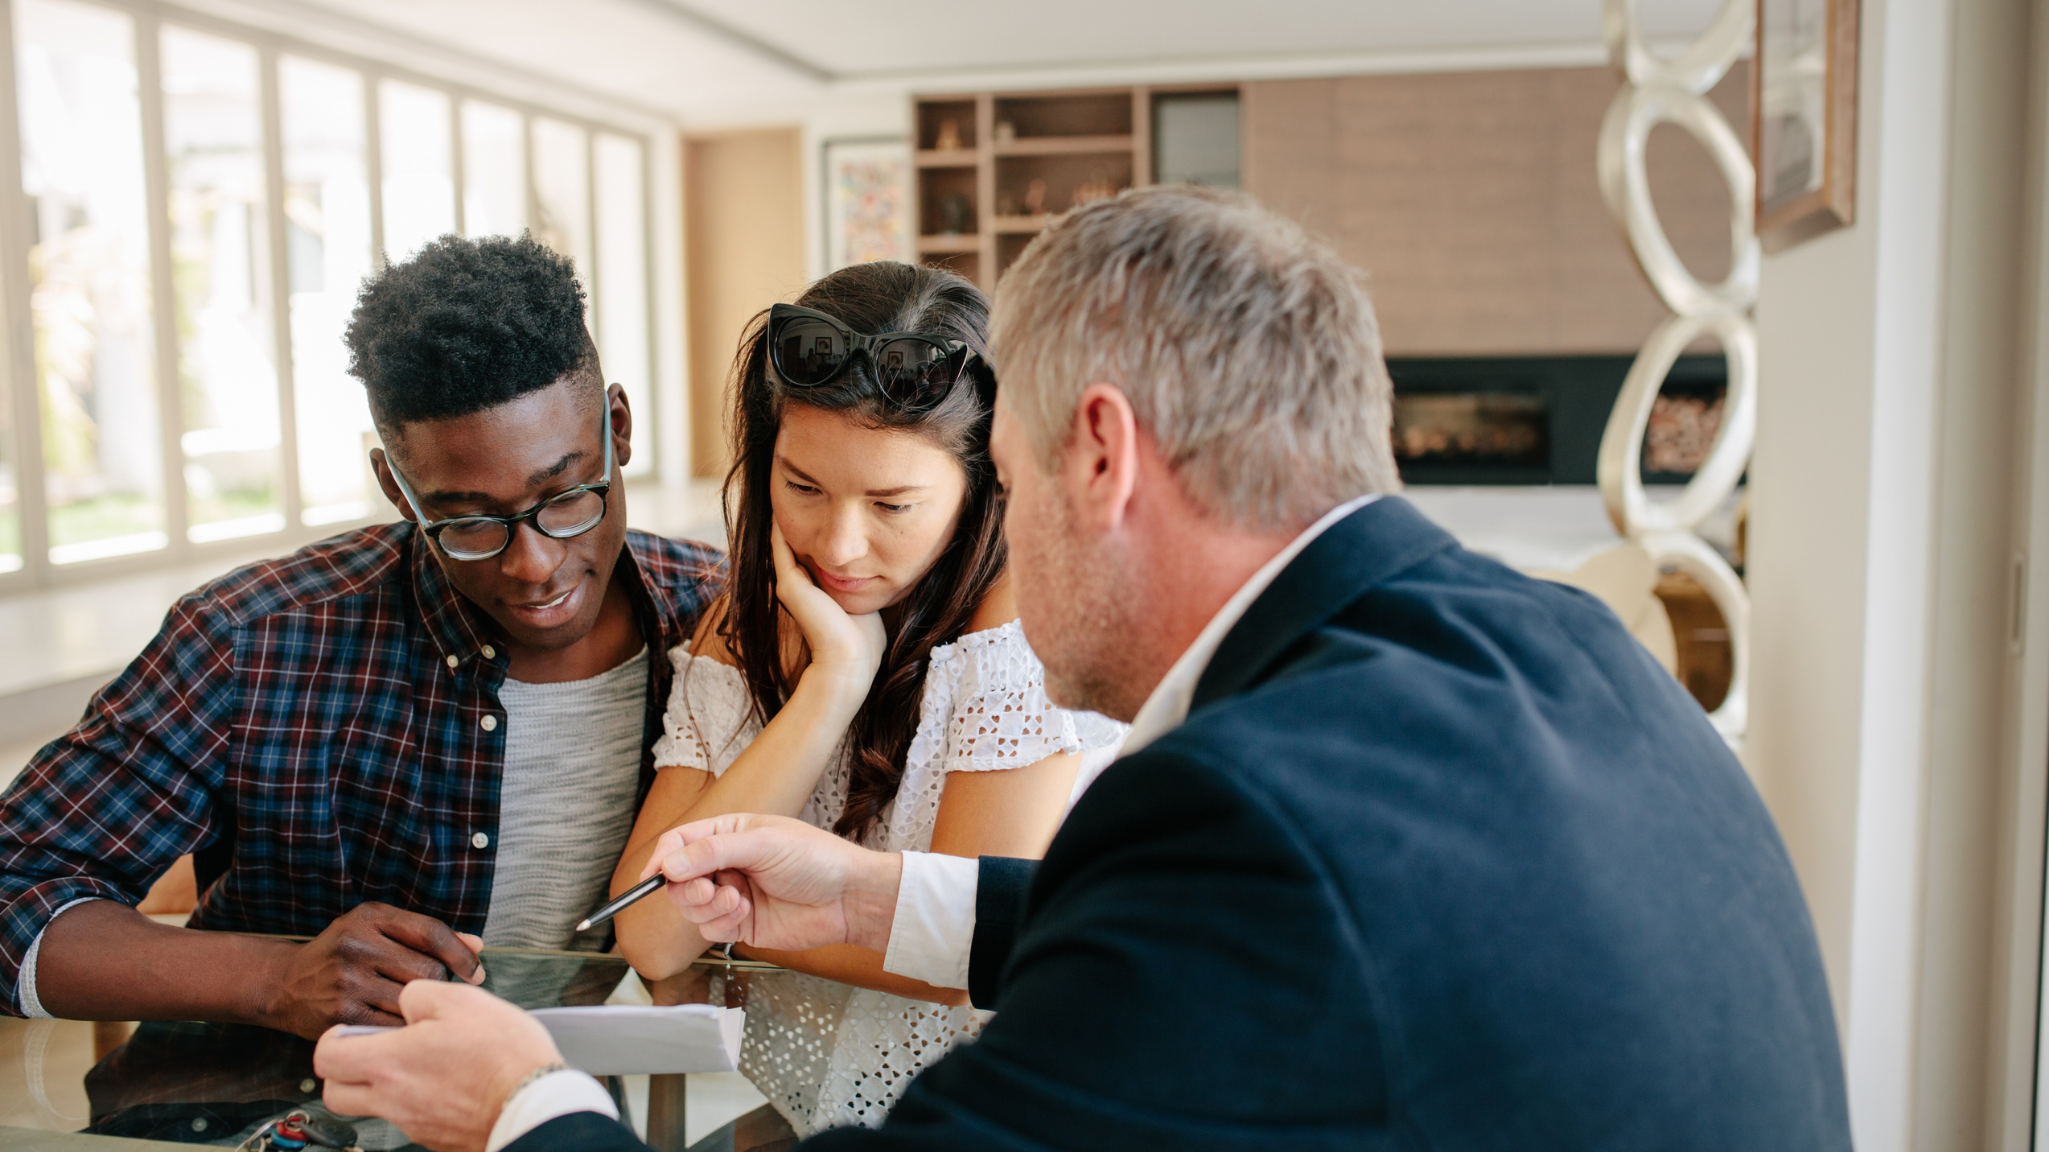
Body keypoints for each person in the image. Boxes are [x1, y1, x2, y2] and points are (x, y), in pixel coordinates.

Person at [315, 187, 1852, 1151]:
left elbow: (1239, 906)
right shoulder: (1547, 642)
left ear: (1097, 456)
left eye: (1010, 480)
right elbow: (1236, 933)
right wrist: (861, 895)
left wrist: (525, 1107)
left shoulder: (1257, 814)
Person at [0, 234, 721, 1038]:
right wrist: (275, 979)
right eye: (466, 521)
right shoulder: (254, 640)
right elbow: (12, 888)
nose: (534, 565)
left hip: (561, 1107)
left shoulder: (721, 624)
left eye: (565, 495)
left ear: (618, 431)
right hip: (276, 1112)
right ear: (396, 488)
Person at [609, 262, 1124, 1139]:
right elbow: (651, 937)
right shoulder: (751, 617)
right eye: (802, 486)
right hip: (803, 1108)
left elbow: (962, 949)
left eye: (893, 504)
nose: (839, 545)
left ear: (984, 488)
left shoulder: (1024, 624)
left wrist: (727, 926)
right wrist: (832, 683)